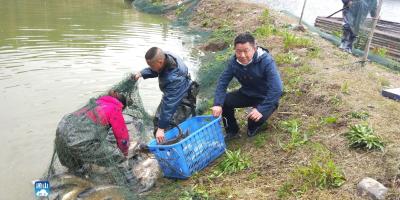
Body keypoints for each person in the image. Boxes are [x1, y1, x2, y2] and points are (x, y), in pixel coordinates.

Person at [211, 32, 283, 139]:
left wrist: (261, 109)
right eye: (238, 51)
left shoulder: (266, 61)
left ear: (254, 48)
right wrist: (217, 103)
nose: (242, 55)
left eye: (246, 51)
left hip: (265, 97)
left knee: (253, 122)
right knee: (224, 101)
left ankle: (257, 125)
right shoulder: (233, 62)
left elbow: (277, 89)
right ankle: (232, 131)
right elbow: (222, 82)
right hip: (247, 93)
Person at [55, 90, 134, 183]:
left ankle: (77, 181)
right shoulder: (115, 108)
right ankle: (132, 184)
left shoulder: (96, 103)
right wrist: (123, 154)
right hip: (77, 141)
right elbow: (123, 138)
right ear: (122, 105)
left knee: (76, 169)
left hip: (61, 134)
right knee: (117, 157)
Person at [134, 47, 198, 144]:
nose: (151, 68)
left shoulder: (173, 79)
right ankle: (164, 144)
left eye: (151, 66)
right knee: (158, 121)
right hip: (174, 94)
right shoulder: (166, 56)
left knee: (169, 127)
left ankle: (179, 148)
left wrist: (161, 128)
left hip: (183, 98)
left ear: (160, 62)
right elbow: (156, 70)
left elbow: (169, 106)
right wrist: (142, 73)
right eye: (149, 66)